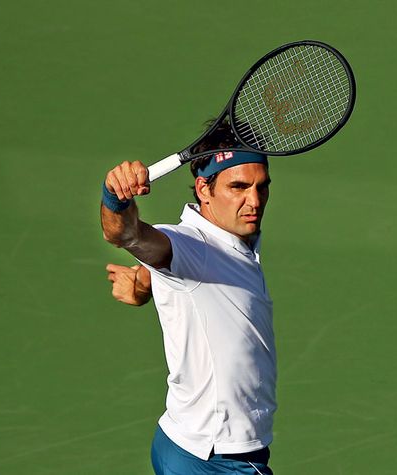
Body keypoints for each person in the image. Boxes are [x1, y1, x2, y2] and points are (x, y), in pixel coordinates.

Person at [101, 123, 275, 475]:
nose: (254, 201)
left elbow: (180, 275)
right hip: (216, 459)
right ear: (204, 189)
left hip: (186, 443)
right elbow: (125, 233)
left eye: (261, 187)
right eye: (238, 187)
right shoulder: (190, 246)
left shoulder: (229, 243)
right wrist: (114, 197)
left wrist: (144, 282)